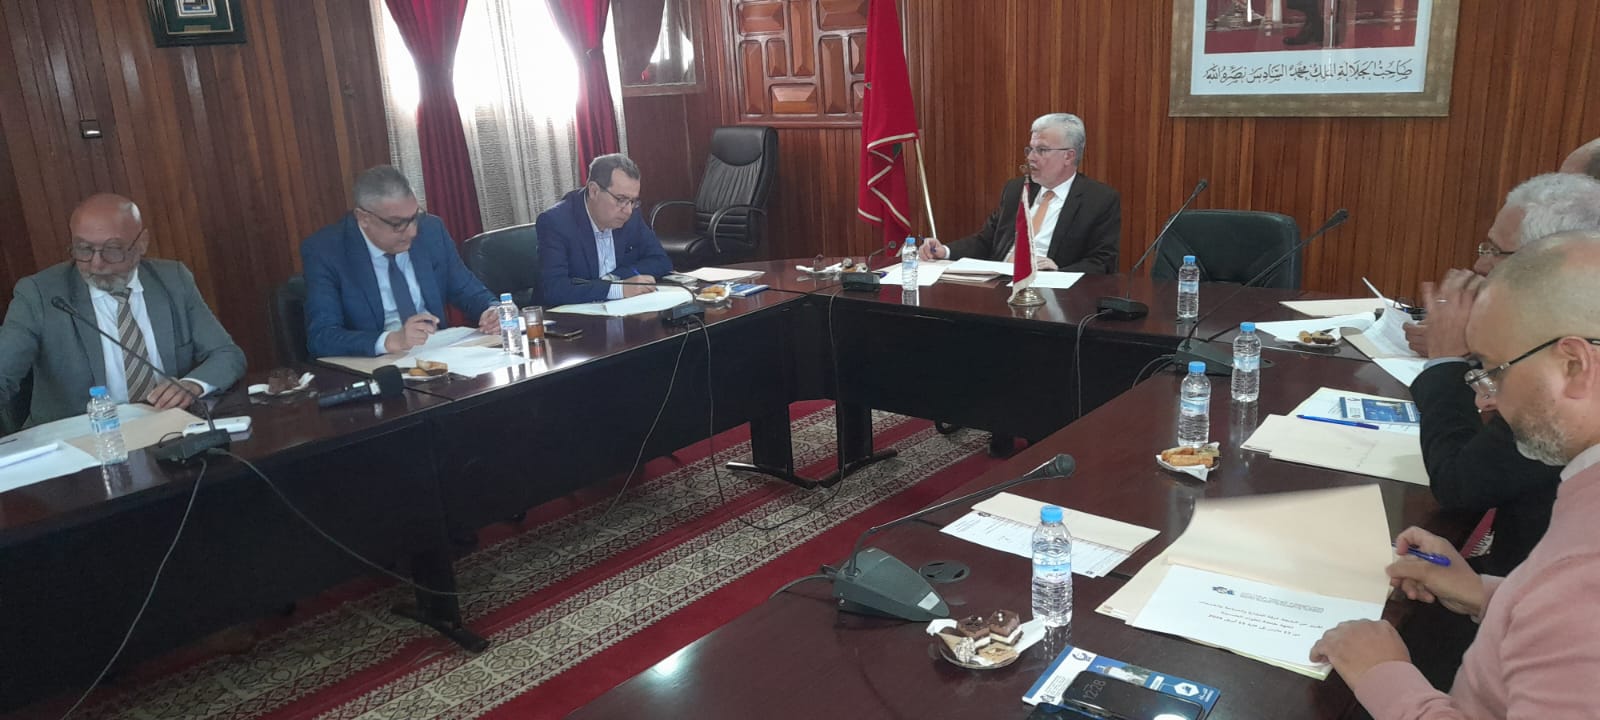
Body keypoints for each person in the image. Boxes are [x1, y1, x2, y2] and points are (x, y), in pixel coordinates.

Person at [1311, 231, 1600, 719]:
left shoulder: (1584, 575)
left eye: (1494, 370)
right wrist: (1487, 594)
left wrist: (1385, 676)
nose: (1486, 398)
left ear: (1574, 366)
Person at [1405, 173, 1600, 575]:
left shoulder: (1560, 400)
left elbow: (1461, 484)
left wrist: (1448, 361)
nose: (1480, 263)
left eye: (1496, 251)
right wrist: (1479, 594)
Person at [0, 194, 245, 426]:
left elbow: (227, 354)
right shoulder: (40, 295)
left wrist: (193, 385)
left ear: (141, 243)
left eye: (113, 249)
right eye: (84, 249)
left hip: (168, 429)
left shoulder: (173, 280)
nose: (96, 263)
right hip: (78, 440)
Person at [300, 166, 498, 359]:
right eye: (398, 224)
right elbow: (322, 337)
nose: (412, 231)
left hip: (439, 356)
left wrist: (493, 311)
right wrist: (390, 340)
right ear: (364, 218)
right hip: (379, 365)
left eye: (415, 217)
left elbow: (468, 291)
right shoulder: (326, 251)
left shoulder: (431, 231)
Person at [919, 113, 1121, 275]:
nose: (1031, 157)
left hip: (1051, 292)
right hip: (998, 284)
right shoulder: (1016, 189)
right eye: (1030, 149)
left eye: (1041, 150)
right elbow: (986, 241)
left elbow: (1102, 262)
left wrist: (1059, 272)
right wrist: (944, 251)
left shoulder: (1099, 200)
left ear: (1069, 156)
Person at [537, 154, 673, 306]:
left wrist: (615, 277)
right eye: (621, 199)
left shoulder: (631, 215)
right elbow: (555, 289)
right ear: (594, 191)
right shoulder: (555, 222)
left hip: (622, 310)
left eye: (632, 201)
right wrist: (618, 289)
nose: (628, 210)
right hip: (567, 316)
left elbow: (661, 261)